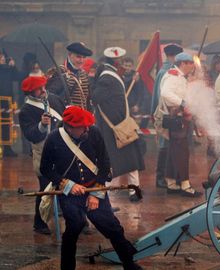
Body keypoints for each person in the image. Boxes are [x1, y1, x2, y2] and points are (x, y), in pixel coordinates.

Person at [40, 106, 142, 270]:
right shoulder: (53, 139)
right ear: (69, 127)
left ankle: (129, 264)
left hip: (95, 187)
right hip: (70, 194)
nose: (87, 128)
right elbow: (45, 168)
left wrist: (96, 193)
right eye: (82, 126)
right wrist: (64, 183)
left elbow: (104, 163)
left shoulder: (94, 133)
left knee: (112, 227)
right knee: (75, 226)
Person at [91, 47, 145, 202]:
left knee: (124, 161)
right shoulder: (107, 78)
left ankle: (130, 190)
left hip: (118, 126)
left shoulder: (110, 75)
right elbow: (96, 97)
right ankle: (110, 194)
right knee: (113, 161)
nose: (123, 63)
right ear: (116, 62)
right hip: (115, 127)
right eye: (121, 60)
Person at [19, 76, 65, 235]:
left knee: (67, 185)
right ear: (31, 92)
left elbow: (65, 114)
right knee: (45, 189)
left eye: (43, 86)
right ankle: (39, 223)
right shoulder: (26, 110)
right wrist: (42, 125)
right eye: (39, 88)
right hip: (43, 152)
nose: (43, 90)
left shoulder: (53, 98)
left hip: (62, 149)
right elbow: (30, 134)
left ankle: (79, 220)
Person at [159, 52, 201, 197]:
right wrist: (182, 103)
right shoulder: (174, 75)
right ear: (183, 63)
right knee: (182, 152)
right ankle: (185, 185)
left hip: (178, 117)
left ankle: (171, 182)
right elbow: (165, 93)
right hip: (176, 117)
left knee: (173, 151)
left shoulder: (178, 76)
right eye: (190, 63)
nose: (192, 66)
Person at [151, 44, 183, 188]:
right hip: (167, 114)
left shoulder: (169, 71)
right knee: (165, 146)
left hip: (169, 113)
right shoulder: (167, 72)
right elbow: (160, 96)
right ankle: (160, 177)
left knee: (169, 146)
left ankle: (167, 176)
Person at [46, 42, 92, 110]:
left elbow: (87, 99)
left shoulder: (84, 74)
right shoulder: (60, 72)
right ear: (70, 55)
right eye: (78, 57)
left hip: (82, 116)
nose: (81, 60)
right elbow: (51, 96)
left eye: (84, 57)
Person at [0, 52, 19, 157]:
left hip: (7, 99)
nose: (2, 59)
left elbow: (16, 77)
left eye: (3, 57)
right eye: (1, 57)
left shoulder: (8, 68)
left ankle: (7, 147)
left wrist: (13, 65)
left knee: (8, 123)